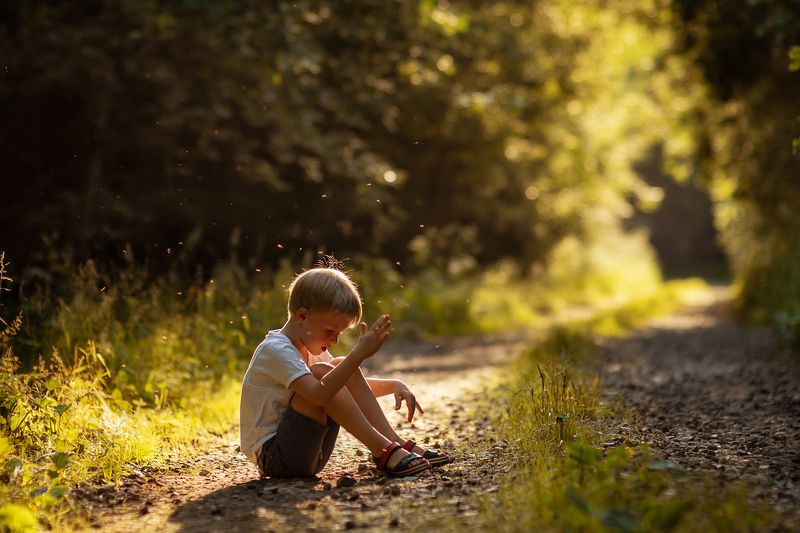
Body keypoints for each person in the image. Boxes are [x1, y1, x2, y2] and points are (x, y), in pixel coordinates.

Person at [239, 263, 450, 478]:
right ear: (302, 316)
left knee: (337, 365)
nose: (335, 339)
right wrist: (357, 354)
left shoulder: (312, 348)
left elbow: (345, 388)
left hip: (312, 449)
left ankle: (394, 442)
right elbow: (319, 394)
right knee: (324, 373)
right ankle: (383, 449)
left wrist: (393, 385)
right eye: (330, 331)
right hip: (277, 457)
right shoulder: (276, 349)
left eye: (339, 332)